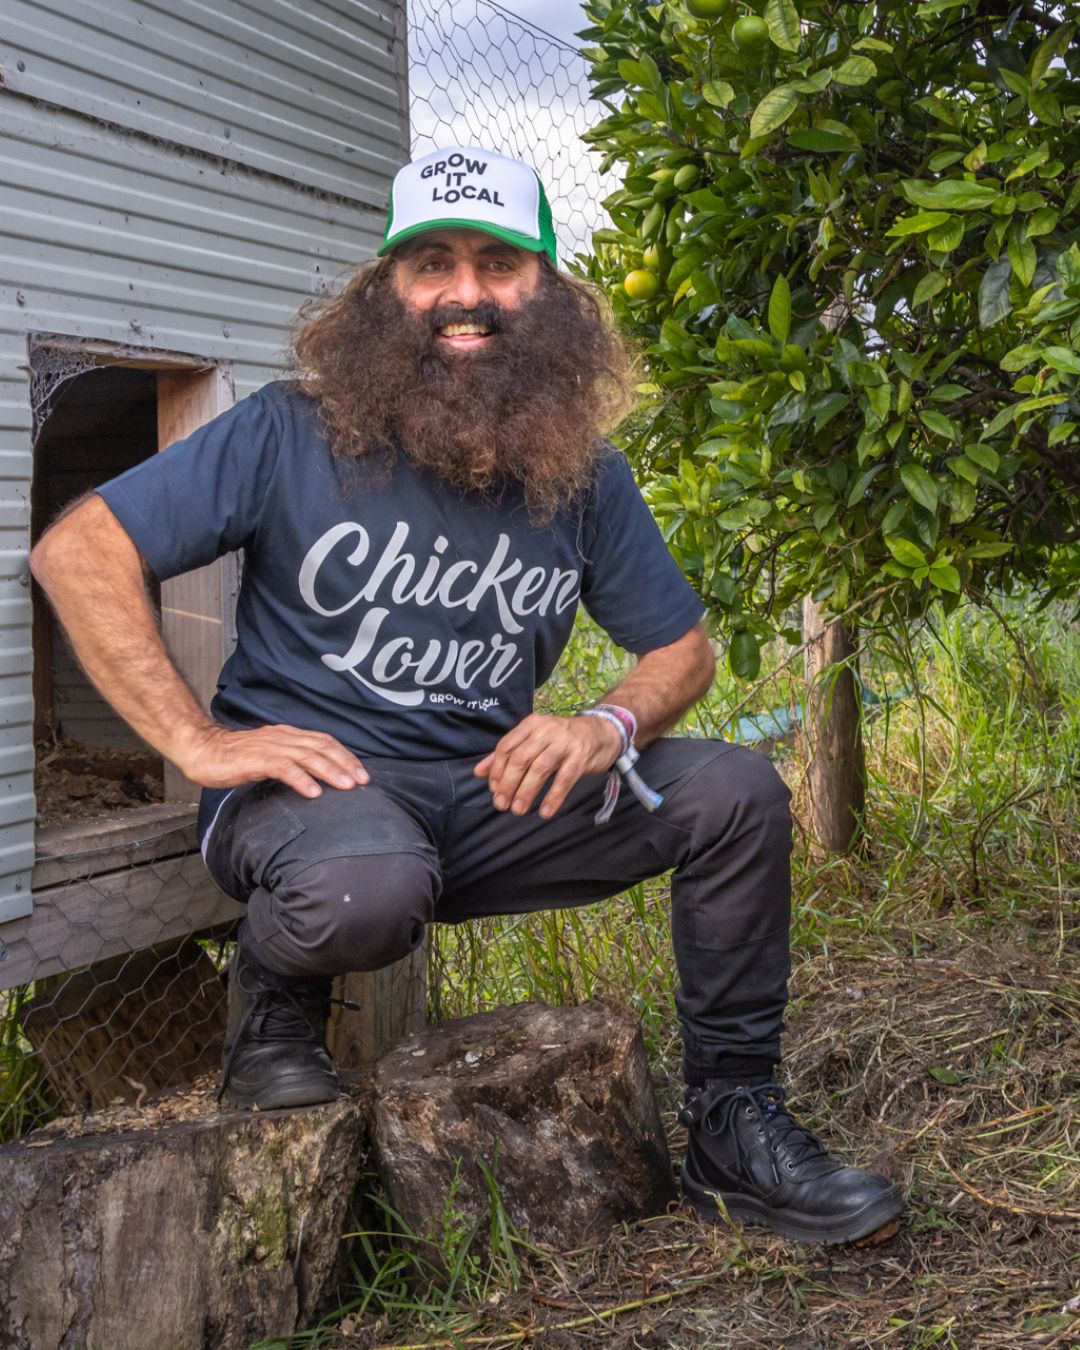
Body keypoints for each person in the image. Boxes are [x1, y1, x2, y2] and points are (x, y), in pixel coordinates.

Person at [30, 145, 903, 1246]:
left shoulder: (583, 473)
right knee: (364, 887)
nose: (464, 293)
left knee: (735, 791)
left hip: (490, 798)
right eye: (430, 263)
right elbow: (79, 551)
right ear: (384, 292)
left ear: (550, 293)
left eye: (499, 264)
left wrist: (606, 722)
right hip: (319, 801)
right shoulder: (289, 430)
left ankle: (736, 1123)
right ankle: (273, 1008)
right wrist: (197, 741)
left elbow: (682, 650)